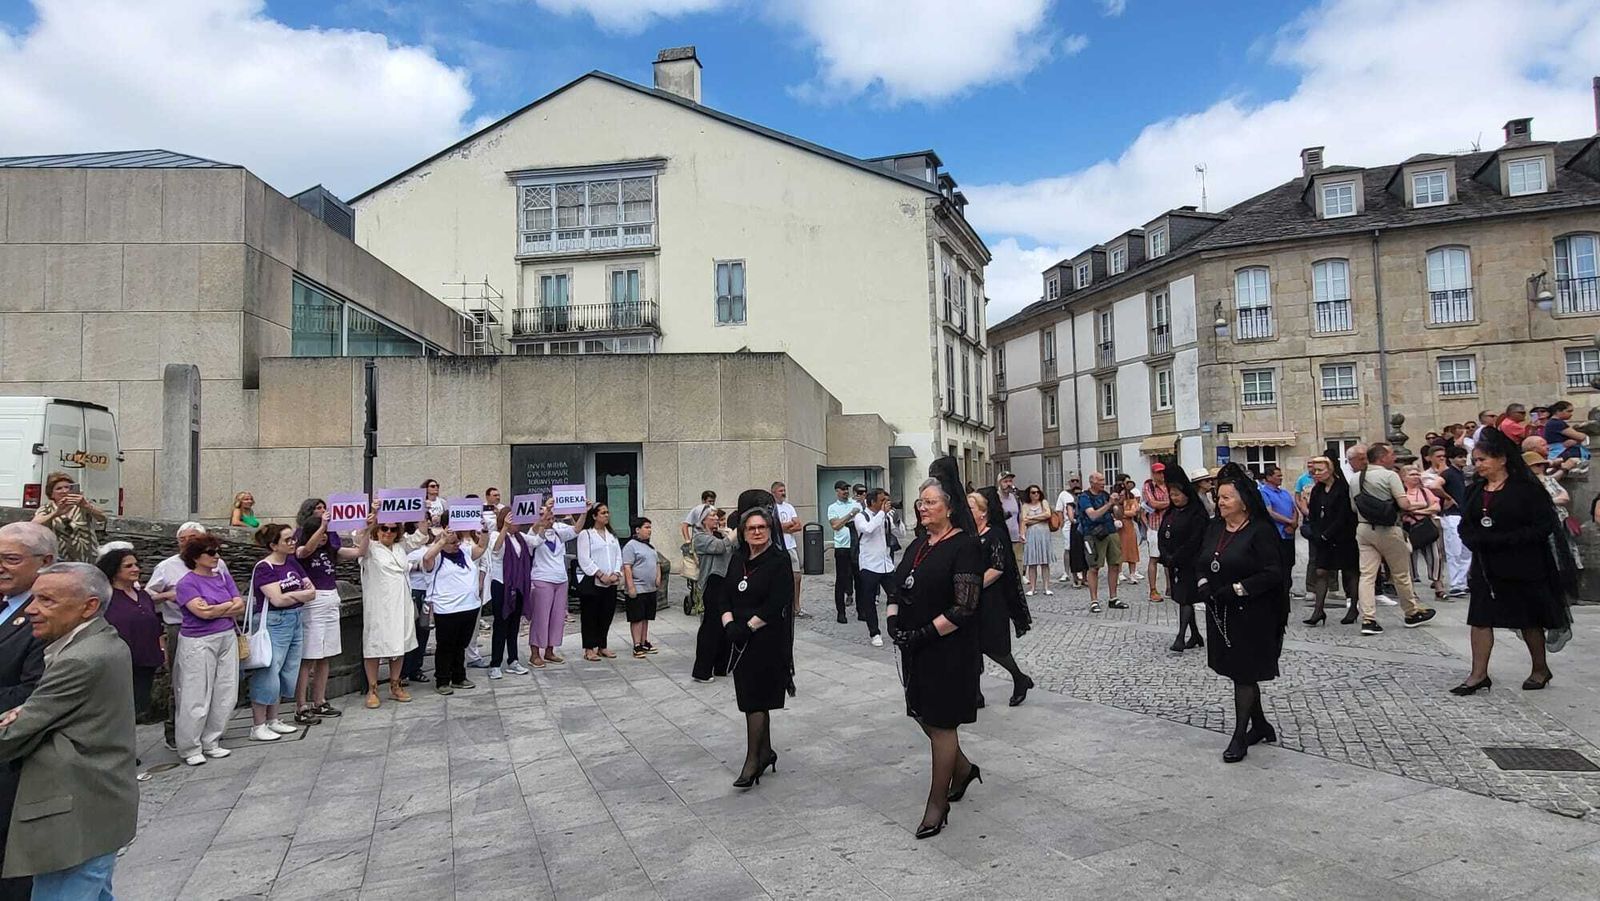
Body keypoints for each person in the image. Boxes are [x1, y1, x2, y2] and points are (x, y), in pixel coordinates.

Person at [0, 562, 137, 899]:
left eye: (47, 600)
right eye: (34, 599)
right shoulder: (96, 639)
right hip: (95, 810)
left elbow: (10, 737)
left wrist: (24, 717)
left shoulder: (81, 658)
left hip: (75, 816)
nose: (32, 609)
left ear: (88, 606)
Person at [888, 459, 984, 839]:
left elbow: (965, 606)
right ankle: (962, 769)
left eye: (929, 502)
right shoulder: (918, 545)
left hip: (949, 649)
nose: (921, 507)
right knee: (921, 713)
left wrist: (926, 632)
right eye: (919, 502)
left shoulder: (965, 546)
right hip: (917, 650)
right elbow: (897, 585)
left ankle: (936, 804)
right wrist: (894, 620)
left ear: (948, 505)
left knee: (942, 723)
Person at [1452, 429, 1571, 694]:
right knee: (1480, 618)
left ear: (1502, 459)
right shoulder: (1475, 490)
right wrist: (1474, 538)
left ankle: (1540, 668)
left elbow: (1543, 525)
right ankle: (1478, 674)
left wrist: (1505, 540)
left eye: (1482, 459)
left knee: (1529, 619)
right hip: (1486, 565)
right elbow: (1466, 523)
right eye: (1476, 460)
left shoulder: (1526, 490)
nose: (1477, 465)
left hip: (1523, 563)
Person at [1199, 471, 1286, 763]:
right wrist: (1204, 584)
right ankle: (1260, 725)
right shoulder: (1215, 528)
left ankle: (1240, 736)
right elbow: (1203, 560)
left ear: (1244, 502)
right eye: (1218, 497)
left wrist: (1238, 589)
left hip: (1253, 612)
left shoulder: (1260, 531)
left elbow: (1274, 573)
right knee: (1237, 671)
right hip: (1220, 612)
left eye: (1226, 498)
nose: (1219, 502)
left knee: (1244, 674)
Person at [719, 506, 794, 788]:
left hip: (765, 638)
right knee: (750, 696)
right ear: (743, 532)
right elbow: (724, 595)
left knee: (757, 699)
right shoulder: (738, 559)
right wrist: (729, 625)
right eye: (751, 528)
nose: (757, 532)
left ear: (770, 529)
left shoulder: (778, 560)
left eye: (762, 527)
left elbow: (777, 601)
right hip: (739, 639)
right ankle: (766, 752)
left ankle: (752, 761)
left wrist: (749, 626)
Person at [0, 523, 50, 901]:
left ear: (45, 562)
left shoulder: (47, 616)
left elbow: (36, 690)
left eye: (10, 559)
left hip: (14, 762)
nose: (0, 566)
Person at [145, 522, 228, 740]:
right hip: (180, 626)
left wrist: (218, 609)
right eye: (183, 539)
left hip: (217, 626)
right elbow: (148, 598)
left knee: (217, 680)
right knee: (181, 681)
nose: (188, 542)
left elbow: (233, 596)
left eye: (194, 538)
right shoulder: (166, 567)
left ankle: (209, 730)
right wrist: (168, 595)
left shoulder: (217, 564)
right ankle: (176, 732)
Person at [173, 533, 243, 766]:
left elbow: (239, 605)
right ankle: (190, 746)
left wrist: (216, 608)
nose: (216, 557)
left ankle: (212, 740)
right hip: (198, 641)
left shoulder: (222, 576)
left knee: (226, 690)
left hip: (226, 635)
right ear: (195, 557)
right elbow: (202, 613)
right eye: (210, 553)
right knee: (196, 693)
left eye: (217, 552)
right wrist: (226, 607)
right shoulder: (186, 583)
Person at [1351, 443, 1436, 635]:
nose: (1394, 458)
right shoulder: (1390, 476)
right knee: (1401, 573)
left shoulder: (1356, 478)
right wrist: (1420, 505)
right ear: (1382, 457)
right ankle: (1411, 612)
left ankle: (1368, 619)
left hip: (1364, 527)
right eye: (1391, 454)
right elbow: (1404, 503)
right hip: (1388, 528)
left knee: (1367, 575)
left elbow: (1354, 507)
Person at [243, 523, 314, 740]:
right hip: (274, 621)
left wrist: (293, 596)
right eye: (287, 540)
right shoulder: (265, 568)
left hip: (294, 618)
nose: (292, 543)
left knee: (287, 669)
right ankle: (258, 724)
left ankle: (274, 718)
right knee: (268, 669)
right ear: (274, 545)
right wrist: (297, 594)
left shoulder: (292, 562)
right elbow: (277, 599)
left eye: (293, 539)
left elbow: (311, 591)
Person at [293, 498, 358, 722]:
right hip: (314, 600)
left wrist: (368, 528)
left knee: (325, 656)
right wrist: (321, 527)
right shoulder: (302, 542)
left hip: (331, 596)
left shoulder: (330, 546)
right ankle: (301, 705)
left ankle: (319, 700)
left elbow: (358, 552)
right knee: (309, 656)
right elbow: (304, 550)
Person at [969, 488, 1034, 705]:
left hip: (991, 598)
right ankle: (975, 694)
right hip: (972, 600)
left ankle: (1019, 677)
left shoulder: (994, 535)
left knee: (994, 647)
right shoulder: (969, 535)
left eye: (971, 508)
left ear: (982, 512)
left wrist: (975, 585)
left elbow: (998, 568)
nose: (967, 512)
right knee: (972, 647)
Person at [94, 546, 163, 728]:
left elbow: (154, 625)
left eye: (136, 565)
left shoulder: (144, 596)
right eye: (128, 566)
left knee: (137, 709)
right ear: (114, 570)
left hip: (145, 662)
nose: (136, 569)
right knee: (117, 711)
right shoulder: (105, 599)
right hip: (118, 664)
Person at [355, 513, 420, 703]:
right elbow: (360, 544)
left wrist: (422, 514)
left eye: (393, 529)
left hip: (401, 602)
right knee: (375, 644)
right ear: (378, 529)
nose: (388, 532)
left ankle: (395, 684)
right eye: (384, 528)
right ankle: (372, 689)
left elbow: (419, 538)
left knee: (399, 644)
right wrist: (370, 524)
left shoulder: (400, 548)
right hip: (379, 604)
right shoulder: (370, 549)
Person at [420, 526, 487, 694]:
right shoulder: (436, 558)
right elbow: (427, 558)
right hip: (447, 609)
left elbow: (481, 548)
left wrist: (484, 532)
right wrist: (442, 541)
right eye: (452, 543)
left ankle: (458, 676)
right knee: (445, 646)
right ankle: (442, 679)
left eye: (458, 541)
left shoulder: (464, 552)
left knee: (460, 644)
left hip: (469, 606)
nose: (457, 545)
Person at [1303, 457, 1359, 626]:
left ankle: (1353, 608)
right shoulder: (1317, 490)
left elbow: (1344, 516)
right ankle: (1318, 610)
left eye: (1320, 470)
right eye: (1315, 471)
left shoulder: (1342, 488)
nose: (1317, 474)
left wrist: (1327, 534)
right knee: (1321, 571)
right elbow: (1312, 514)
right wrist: (1316, 533)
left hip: (1343, 536)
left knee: (1349, 572)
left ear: (1330, 470)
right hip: (1322, 538)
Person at [1157, 467, 1207, 652]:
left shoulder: (1196, 513)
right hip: (1172, 561)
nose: (1175, 498)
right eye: (1172, 495)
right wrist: (1165, 554)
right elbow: (1163, 534)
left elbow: (1195, 539)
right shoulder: (1171, 512)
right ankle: (1195, 634)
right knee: (1181, 597)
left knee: (1186, 598)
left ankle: (1180, 637)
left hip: (1190, 561)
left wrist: (1177, 556)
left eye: (1178, 495)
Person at [482, 507, 531, 680]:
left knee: (514, 625)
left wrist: (541, 522)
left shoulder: (519, 538)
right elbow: (496, 550)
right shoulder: (496, 535)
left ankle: (513, 659)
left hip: (516, 585)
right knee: (501, 624)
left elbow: (536, 541)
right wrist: (504, 528)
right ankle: (495, 663)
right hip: (502, 584)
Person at [527, 499, 575, 667]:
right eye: (544, 515)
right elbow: (533, 542)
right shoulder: (532, 533)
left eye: (550, 515)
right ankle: (534, 653)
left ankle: (550, 650)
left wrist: (583, 511)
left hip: (560, 579)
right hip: (542, 579)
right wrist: (542, 520)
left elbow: (576, 530)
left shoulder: (558, 531)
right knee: (541, 617)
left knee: (557, 618)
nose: (548, 517)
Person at [691, 508, 735, 683]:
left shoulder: (720, 534)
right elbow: (718, 548)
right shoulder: (700, 538)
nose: (717, 518)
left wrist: (730, 536)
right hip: (712, 583)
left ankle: (721, 666)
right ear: (702, 520)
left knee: (726, 625)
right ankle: (702, 670)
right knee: (711, 627)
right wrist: (731, 537)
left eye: (717, 516)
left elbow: (734, 548)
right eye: (712, 516)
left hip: (726, 582)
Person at [576, 504, 623, 662]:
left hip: (611, 581)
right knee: (590, 615)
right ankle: (589, 648)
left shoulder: (612, 535)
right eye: (603, 513)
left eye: (607, 512)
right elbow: (584, 558)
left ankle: (602, 645)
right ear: (594, 516)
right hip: (593, 581)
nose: (606, 515)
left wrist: (616, 573)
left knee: (606, 614)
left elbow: (618, 556)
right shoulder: (586, 534)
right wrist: (599, 574)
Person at [30, 472, 106, 564]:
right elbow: (33, 525)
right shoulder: (47, 509)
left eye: (67, 487)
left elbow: (103, 517)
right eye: (59, 488)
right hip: (60, 559)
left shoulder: (83, 505)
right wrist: (56, 513)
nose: (64, 491)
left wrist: (86, 505)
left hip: (87, 558)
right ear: (51, 494)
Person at [1427, 444, 1471, 599]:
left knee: (1466, 551)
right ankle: (1456, 584)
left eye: (1464, 456)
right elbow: (1434, 485)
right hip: (1452, 516)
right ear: (1452, 459)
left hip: (1462, 514)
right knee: (1455, 551)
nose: (1463, 459)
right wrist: (1448, 497)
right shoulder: (1449, 473)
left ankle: (1462, 583)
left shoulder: (1460, 474)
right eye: (1459, 457)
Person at [853, 489, 895, 647]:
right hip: (869, 565)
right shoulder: (861, 517)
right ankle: (874, 632)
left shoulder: (885, 517)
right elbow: (868, 529)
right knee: (869, 600)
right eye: (882, 500)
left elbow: (900, 533)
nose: (885, 503)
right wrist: (882, 514)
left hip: (886, 564)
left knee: (895, 595)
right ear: (872, 502)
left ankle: (894, 627)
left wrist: (895, 520)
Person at [1076, 473, 1124, 612]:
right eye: (1100, 480)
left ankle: (1113, 598)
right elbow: (1092, 515)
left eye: (1103, 479)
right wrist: (1109, 503)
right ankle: (1094, 601)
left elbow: (1119, 515)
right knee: (1094, 568)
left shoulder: (1105, 494)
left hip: (1110, 531)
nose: (1103, 482)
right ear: (1092, 482)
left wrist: (1117, 505)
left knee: (1115, 564)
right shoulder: (1085, 497)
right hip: (1093, 535)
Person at [398, 518, 434, 684]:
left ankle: (416, 668)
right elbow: (402, 564)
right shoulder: (404, 540)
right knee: (409, 631)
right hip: (412, 590)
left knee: (423, 630)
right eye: (423, 519)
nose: (427, 522)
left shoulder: (431, 540)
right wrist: (419, 566)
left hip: (428, 592)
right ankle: (403, 671)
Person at [1400, 465, 1443, 599]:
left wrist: (1417, 510)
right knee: (1409, 558)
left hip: (1426, 527)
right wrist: (1423, 505)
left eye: (1417, 474)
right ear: (1403, 477)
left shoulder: (1425, 491)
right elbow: (1402, 508)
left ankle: (1438, 586)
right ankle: (1411, 589)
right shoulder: (1401, 492)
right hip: (1409, 529)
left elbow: (1436, 507)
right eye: (1412, 474)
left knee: (1435, 556)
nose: (1416, 477)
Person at [1257, 465, 1299, 603]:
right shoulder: (1264, 493)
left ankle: (1286, 590)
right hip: (1276, 534)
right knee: (1278, 565)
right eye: (1278, 476)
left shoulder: (1285, 493)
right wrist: (1288, 522)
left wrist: (1294, 523)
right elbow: (1270, 512)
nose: (1281, 478)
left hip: (1289, 534)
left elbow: (1294, 508)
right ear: (1269, 477)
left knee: (1289, 564)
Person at [621, 517, 662, 659]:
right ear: (637, 530)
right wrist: (630, 586)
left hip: (650, 588)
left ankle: (644, 641)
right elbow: (627, 567)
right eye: (646, 527)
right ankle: (637, 644)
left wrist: (658, 577)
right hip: (638, 588)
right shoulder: (631, 546)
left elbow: (657, 563)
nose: (649, 530)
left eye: (650, 527)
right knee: (637, 618)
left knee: (646, 617)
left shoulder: (650, 547)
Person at [826, 481, 860, 623]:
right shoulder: (832, 507)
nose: (846, 491)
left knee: (859, 579)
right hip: (842, 548)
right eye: (843, 489)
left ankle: (861, 610)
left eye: (847, 489)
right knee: (841, 580)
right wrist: (850, 515)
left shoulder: (856, 504)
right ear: (837, 491)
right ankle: (841, 612)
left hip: (856, 546)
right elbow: (836, 525)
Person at [772, 482, 805, 618]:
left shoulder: (789, 507)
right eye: (780, 491)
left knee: (796, 576)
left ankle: (796, 607)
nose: (783, 493)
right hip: (778, 546)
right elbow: (774, 526)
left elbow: (798, 526)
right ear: (773, 492)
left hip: (790, 546)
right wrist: (788, 525)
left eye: (784, 490)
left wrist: (783, 526)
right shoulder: (772, 508)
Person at [1143, 464, 1172, 601]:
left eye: (1162, 472)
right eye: (1158, 473)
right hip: (1155, 526)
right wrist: (1169, 502)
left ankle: (1170, 587)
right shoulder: (1149, 486)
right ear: (1153, 473)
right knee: (1154, 558)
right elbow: (1153, 504)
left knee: (1169, 559)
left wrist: (1164, 503)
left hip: (1169, 526)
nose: (1161, 475)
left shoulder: (1169, 485)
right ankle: (1153, 590)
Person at [1019, 485, 1053, 595]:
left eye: (1037, 492)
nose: (1036, 494)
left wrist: (1031, 518)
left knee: (1044, 562)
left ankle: (1046, 587)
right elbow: (1024, 520)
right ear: (1029, 494)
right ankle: (1032, 588)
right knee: (1032, 563)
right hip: (1031, 534)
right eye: (1033, 492)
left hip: (1043, 534)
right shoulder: (1025, 506)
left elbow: (1048, 514)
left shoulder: (1044, 502)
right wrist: (1040, 518)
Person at [1543, 401, 1591, 471]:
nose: (1571, 414)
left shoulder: (1553, 423)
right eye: (1569, 411)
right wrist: (1578, 439)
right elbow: (1581, 437)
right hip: (1561, 452)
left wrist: (1574, 441)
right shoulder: (1557, 423)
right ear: (1559, 411)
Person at [1116, 485, 1142, 586]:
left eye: (1123, 494)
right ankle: (1118, 573)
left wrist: (1121, 513)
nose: (1121, 496)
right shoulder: (1116, 503)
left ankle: (1132, 574)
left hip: (1129, 526)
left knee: (1131, 550)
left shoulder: (1131, 501)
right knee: (1118, 550)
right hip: (1118, 527)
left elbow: (1133, 512)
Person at [997, 471, 1024, 567]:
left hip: (1015, 538)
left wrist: (1022, 533)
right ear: (999, 482)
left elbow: (1021, 518)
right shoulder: (995, 499)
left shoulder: (1015, 498)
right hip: (1001, 538)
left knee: (1018, 563)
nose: (1008, 484)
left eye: (1010, 481)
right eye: (1005, 481)